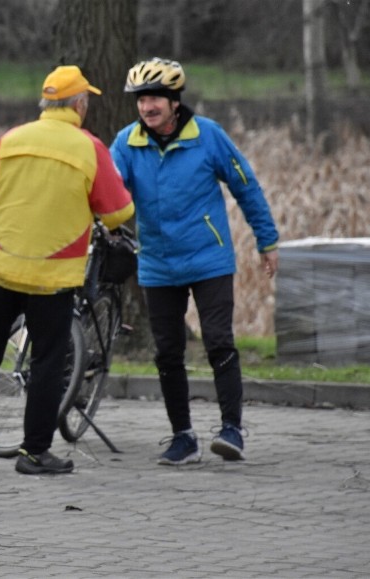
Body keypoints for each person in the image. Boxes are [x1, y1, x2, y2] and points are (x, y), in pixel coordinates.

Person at [0, 65, 135, 475]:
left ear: (45, 103)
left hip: (1, 270)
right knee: (49, 362)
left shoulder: (10, 141)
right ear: (80, 104)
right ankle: (34, 452)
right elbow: (120, 211)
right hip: (54, 277)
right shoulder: (89, 148)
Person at [110, 58, 279, 465]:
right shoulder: (127, 143)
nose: (147, 107)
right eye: (141, 100)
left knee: (219, 342)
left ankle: (231, 430)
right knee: (167, 352)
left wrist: (267, 239)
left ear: (174, 101)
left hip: (208, 260)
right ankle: (182, 436)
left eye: (154, 99)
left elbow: (246, 186)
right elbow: (110, 194)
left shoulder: (208, 136)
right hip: (157, 264)